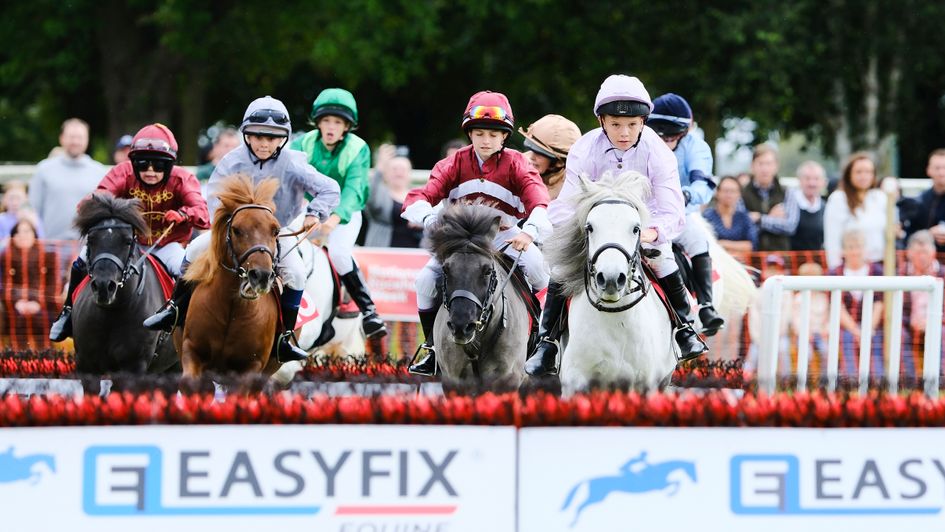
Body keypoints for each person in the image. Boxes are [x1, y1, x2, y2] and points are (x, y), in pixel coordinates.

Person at [528, 74, 708, 377]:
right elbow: (565, 204)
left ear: (643, 122)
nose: (624, 133)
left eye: (633, 125)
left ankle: (684, 330)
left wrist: (653, 233)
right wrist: (582, 230)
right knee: (560, 269)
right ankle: (547, 344)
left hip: (642, 225)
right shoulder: (585, 149)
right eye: (615, 124)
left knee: (663, 257)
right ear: (601, 121)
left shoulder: (658, 151)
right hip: (594, 227)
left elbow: (672, 207)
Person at [143, 96, 340, 363]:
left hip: (276, 230)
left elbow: (330, 188)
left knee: (295, 273)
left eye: (272, 138)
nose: (264, 143)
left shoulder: (294, 162)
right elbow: (212, 198)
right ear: (246, 135)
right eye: (258, 135)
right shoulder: (231, 161)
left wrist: (315, 213)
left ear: (283, 138)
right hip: (236, 230)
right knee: (193, 250)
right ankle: (174, 309)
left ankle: (284, 339)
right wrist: (228, 225)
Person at [402, 90, 551, 376]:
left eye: (494, 135)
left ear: (504, 137)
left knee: (539, 271)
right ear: (469, 134)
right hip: (462, 240)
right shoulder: (454, 162)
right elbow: (417, 197)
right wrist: (433, 218)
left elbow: (539, 200)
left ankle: (542, 345)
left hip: (505, 237)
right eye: (480, 133)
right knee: (424, 281)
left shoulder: (518, 163)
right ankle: (432, 348)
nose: (486, 140)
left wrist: (530, 231)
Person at [48, 123, 211, 342]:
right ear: (133, 163)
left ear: (170, 165)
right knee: (81, 260)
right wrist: (90, 203)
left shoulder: (183, 179)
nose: (151, 171)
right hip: (127, 242)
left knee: (189, 271)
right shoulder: (122, 172)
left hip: (167, 244)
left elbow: (203, 214)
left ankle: (180, 315)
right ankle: (68, 312)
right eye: (143, 165)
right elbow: (100, 196)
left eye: (159, 165)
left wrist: (183, 214)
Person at [291, 88, 387, 338]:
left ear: (346, 126)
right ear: (318, 123)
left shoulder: (359, 148)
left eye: (337, 122)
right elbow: (291, 178)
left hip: (345, 213)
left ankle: (368, 311)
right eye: (326, 121)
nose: (331, 127)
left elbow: (354, 190)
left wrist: (332, 220)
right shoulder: (301, 143)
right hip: (308, 208)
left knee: (339, 253)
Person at [646, 93, 724, 334]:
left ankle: (705, 306)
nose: (666, 140)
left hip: (677, 213)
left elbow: (703, 183)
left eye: (672, 135)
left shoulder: (696, 147)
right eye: (661, 134)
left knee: (698, 239)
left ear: (684, 131)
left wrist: (687, 195)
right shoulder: (642, 141)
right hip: (642, 213)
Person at [28, 118, 107, 240]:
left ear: (87, 139)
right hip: (50, 247)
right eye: (71, 137)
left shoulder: (100, 172)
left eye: (80, 137)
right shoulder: (44, 169)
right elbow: (32, 209)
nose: (75, 141)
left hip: (88, 248)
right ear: (61, 138)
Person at [828, 228, 884, 377]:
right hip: (846, 327)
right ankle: (851, 384)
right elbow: (837, 307)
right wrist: (856, 331)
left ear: (864, 249)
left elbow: (879, 304)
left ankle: (878, 386)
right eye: (850, 247)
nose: (855, 252)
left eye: (858, 247)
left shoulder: (877, 271)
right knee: (846, 339)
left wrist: (867, 330)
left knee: (876, 342)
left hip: (873, 326)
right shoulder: (835, 273)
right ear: (843, 251)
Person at [1, 218, 60, 350]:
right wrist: (17, 302)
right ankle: (18, 361)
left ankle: (46, 361)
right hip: (15, 305)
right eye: (18, 232)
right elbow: (4, 286)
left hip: (44, 305)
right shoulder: (5, 257)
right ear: (13, 237)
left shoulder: (48, 256)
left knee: (41, 319)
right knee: (18, 320)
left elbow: (53, 286)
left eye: (27, 231)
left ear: (35, 235)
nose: (22, 235)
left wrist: (37, 302)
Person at [823, 152, 887, 270]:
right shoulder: (838, 199)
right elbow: (832, 240)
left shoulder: (880, 197)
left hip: (877, 267)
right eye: (859, 172)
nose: (864, 176)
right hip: (849, 268)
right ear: (849, 175)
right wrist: (835, 271)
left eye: (868, 172)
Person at [898, 230, 945, 379]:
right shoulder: (901, 274)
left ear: (933, 252)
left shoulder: (942, 273)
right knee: (899, 333)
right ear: (909, 253)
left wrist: (936, 322)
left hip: (939, 323)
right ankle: (910, 381)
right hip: (909, 325)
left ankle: (941, 379)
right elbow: (895, 309)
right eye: (918, 252)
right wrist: (911, 322)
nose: (922, 257)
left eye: (925, 252)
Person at [742, 144, 798, 251]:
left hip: (781, 259)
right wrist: (772, 218)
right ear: (752, 166)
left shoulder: (787, 192)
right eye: (760, 163)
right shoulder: (742, 193)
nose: (764, 168)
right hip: (752, 259)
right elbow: (741, 229)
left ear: (776, 166)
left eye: (768, 163)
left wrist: (760, 219)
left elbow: (790, 226)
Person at [364, 144, 422, 248]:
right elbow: (370, 199)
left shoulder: (419, 195)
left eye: (403, 169)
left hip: (415, 255)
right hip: (383, 254)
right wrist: (379, 167)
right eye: (394, 169)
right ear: (386, 173)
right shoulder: (380, 193)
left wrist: (422, 224)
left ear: (409, 173)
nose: (399, 173)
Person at [519, 114, 581, 199]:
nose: (531, 157)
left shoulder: (569, 195)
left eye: (539, 153)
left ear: (559, 162)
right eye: (532, 149)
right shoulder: (516, 165)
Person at [703, 176, 757, 255]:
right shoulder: (707, 216)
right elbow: (707, 244)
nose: (729, 194)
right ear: (717, 193)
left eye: (733, 191)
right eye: (725, 191)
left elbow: (751, 245)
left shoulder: (744, 217)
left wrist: (723, 243)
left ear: (739, 194)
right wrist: (737, 247)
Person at [903, 149, 945, 251]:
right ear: (928, 170)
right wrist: (927, 235)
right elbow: (909, 235)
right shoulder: (920, 201)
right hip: (925, 262)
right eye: (937, 168)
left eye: (944, 167)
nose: (941, 172)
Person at [789, 161, 827, 251]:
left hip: (817, 262)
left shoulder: (826, 208)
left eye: (816, 179)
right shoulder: (788, 205)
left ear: (823, 182)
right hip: (792, 261)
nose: (812, 183)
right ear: (799, 180)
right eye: (807, 178)